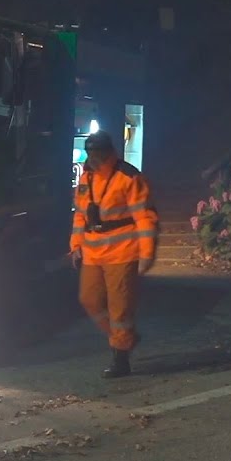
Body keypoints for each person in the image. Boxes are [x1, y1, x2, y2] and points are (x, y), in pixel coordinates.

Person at [68, 130, 159, 378]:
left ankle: (121, 359)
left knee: (120, 309)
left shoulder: (128, 177)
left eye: (96, 152)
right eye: (89, 152)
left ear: (108, 152)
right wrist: (76, 246)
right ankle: (124, 339)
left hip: (123, 252)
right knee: (89, 299)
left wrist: (146, 253)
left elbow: (145, 217)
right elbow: (79, 216)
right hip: (93, 252)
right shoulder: (86, 178)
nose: (92, 157)